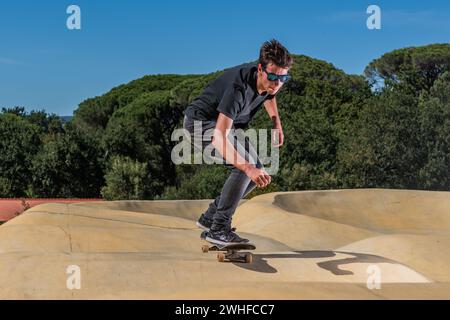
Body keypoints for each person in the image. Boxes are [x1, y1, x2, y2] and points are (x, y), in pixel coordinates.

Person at [183, 39, 293, 245]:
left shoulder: (272, 81)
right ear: (260, 69)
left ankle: (210, 218)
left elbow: (269, 95)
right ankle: (218, 229)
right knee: (245, 168)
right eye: (272, 77)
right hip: (199, 124)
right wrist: (246, 166)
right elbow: (219, 137)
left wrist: (276, 122)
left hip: (224, 126)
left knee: (257, 170)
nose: (277, 84)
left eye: (283, 78)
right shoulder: (238, 88)